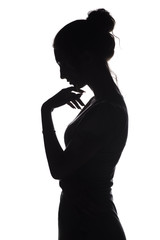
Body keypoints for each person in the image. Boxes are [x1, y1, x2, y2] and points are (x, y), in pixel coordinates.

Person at [41, 8, 128, 240]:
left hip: (94, 227)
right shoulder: (97, 102)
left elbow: (59, 169)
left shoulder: (107, 111)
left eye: (63, 63)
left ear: (86, 57)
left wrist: (46, 111)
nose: (61, 74)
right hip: (81, 221)